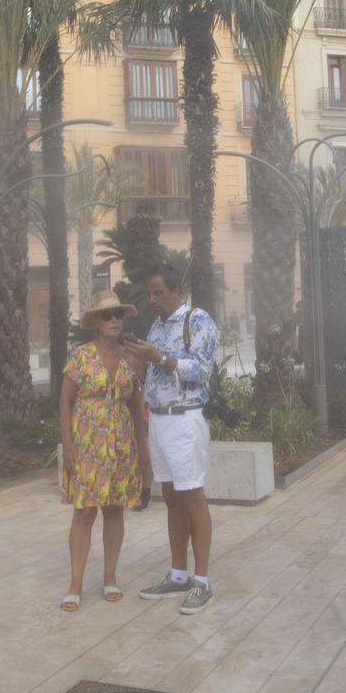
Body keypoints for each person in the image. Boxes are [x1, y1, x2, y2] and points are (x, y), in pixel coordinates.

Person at [124, 263, 218, 616]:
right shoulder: (155, 326)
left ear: (176, 290)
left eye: (158, 293)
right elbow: (148, 374)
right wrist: (137, 363)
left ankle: (202, 581)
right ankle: (178, 574)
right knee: (171, 498)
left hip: (186, 418)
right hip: (159, 422)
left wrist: (160, 358)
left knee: (193, 497)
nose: (152, 300)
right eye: (149, 294)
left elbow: (202, 370)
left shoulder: (198, 321)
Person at [59, 292, 152, 612]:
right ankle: (75, 583)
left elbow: (135, 406)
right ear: (96, 323)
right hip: (87, 445)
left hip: (122, 445)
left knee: (114, 509)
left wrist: (143, 453)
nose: (114, 320)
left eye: (118, 315)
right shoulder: (81, 356)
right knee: (84, 511)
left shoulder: (131, 358)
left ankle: (110, 577)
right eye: (107, 315)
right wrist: (67, 445)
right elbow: (65, 401)